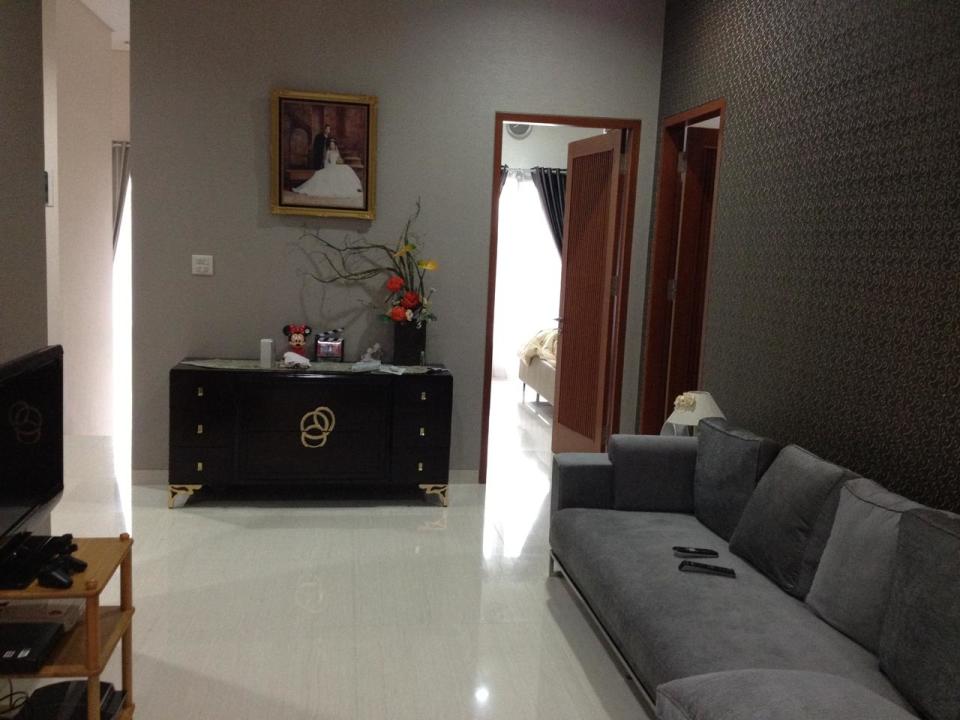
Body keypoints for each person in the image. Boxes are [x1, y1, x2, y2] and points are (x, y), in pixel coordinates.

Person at [293, 139, 363, 201]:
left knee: (346, 169)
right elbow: (326, 161)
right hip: (330, 166)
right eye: (330, 145)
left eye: (333, 144)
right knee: (322, 174)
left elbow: (339, 160)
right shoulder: (328, 152)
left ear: (335, 145)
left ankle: (353, 188)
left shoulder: (337, 152)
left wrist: (340, 162)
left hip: (336, 166)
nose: (332, 146)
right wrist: (327, 167)